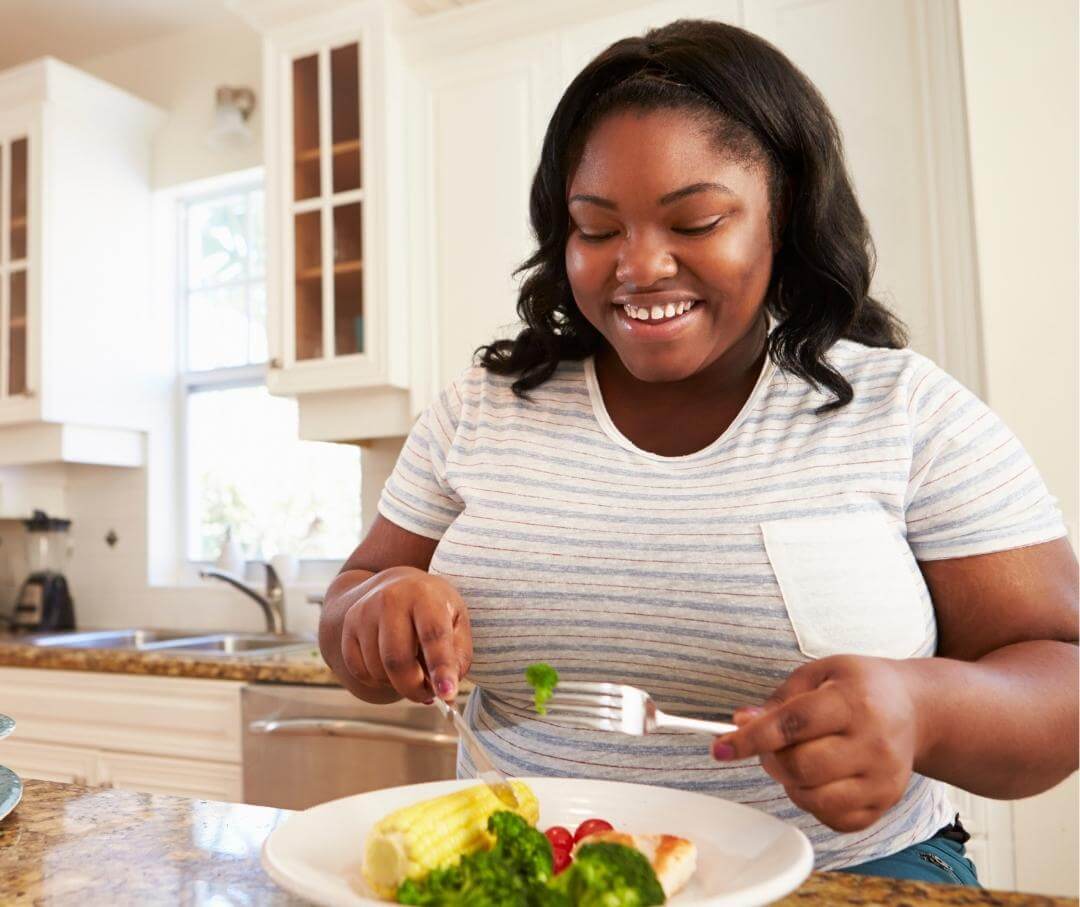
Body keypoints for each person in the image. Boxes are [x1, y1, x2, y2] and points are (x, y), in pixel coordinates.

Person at [319, 19, 1078, 883]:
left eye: (698, 219)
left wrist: (924, 709)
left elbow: (1061, 678)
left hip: (850, 880)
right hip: (532, 877)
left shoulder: (907, 412)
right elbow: (348, 606)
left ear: (781, 215)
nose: (638, 267)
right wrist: (375, 607)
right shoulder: (478, 412)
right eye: (596, 230)